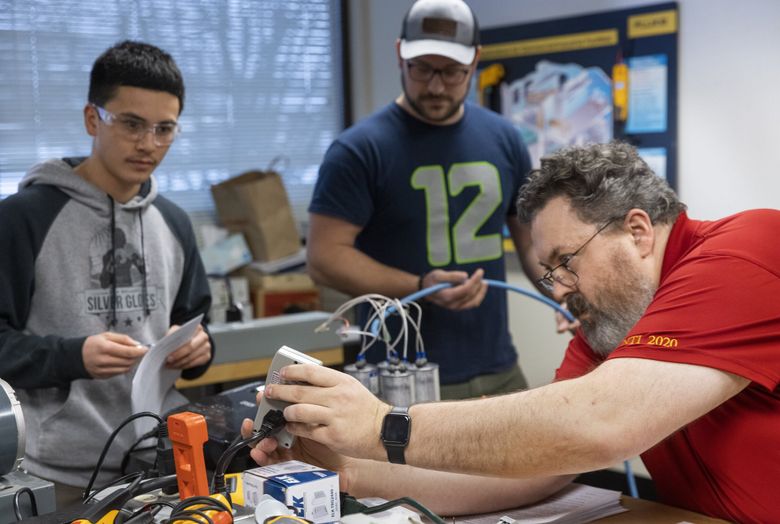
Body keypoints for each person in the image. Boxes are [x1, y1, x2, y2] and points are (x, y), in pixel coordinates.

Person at [247, 142, 779, 522]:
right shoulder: (612, 326)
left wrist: (385, 426)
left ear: (637, 230)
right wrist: (352, 471)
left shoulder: (747, 249)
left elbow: (603, 424)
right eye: (551, 271)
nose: (561, 288)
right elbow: (540, 465)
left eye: (567, 261)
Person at [0, 41, 214, 503]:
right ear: (93, 119)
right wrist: (72, 356)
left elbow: (195, 321)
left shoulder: (174, 222)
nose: (148, 144)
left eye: (164, 129)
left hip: (157, 460)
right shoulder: (22, 219)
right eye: (132, 124)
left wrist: (199, 348)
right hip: (52, 473)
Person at [307, 0, 538, 399]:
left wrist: (575, 297)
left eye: (451, 72)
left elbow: (533, 245)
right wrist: (418, 285)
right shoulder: (359, 150)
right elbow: (324, 257)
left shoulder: (506, 139)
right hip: (400, 377)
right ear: (400, 54)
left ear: (476, 61)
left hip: (498, 369)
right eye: (422, 69)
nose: (435, 86)